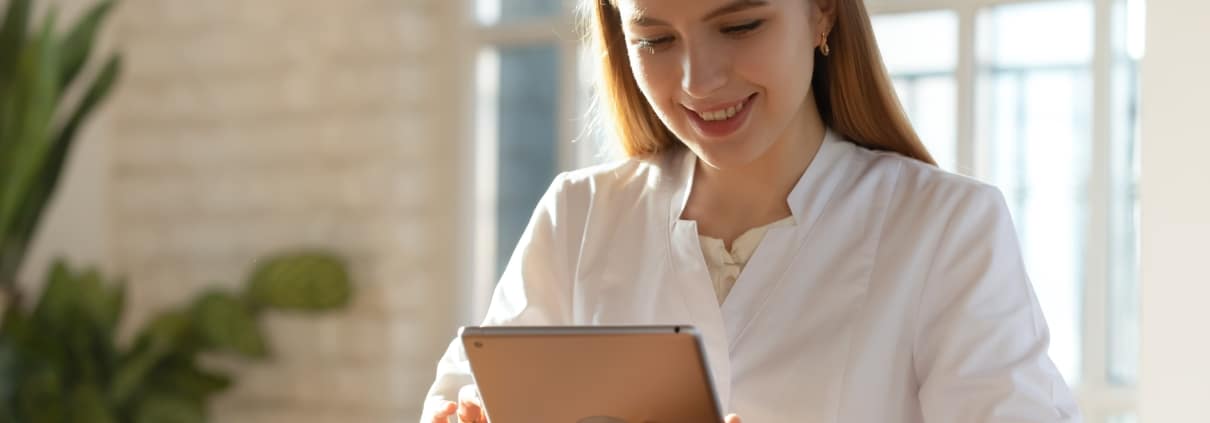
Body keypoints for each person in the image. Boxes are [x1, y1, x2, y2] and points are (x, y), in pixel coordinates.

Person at [422, 0, 1081, 421]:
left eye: (740, 25)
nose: (696, 81)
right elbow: (458, 394)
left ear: (822, 14)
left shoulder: (947, 227)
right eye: (655, 41)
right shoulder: (579, 215)